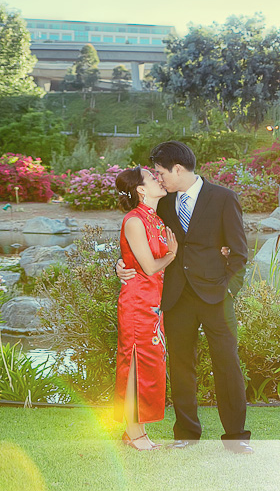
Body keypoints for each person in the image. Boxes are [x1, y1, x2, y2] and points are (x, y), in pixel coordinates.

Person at [117, 141, 252, 454]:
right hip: (176, 297)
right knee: (180, 366)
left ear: (178, 169)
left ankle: (236, 438)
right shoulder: (162, 203)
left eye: (162, 172)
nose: (159, 178)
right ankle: (186, 434)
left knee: (227, 364)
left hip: (217, 297)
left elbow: (240, 253)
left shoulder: (223, 198)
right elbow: (138, 238)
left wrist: (228, 290)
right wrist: (120, 264)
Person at [114, 166, 178, 451]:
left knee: (151, 364)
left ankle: (137, 430)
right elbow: (150, 266)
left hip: (155, 303)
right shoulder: (134, 221)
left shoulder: (156, 218)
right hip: (138, 302)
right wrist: (173, 255)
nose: (158, 179)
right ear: (140, 189)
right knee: (135, 363)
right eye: (152, 178)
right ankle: (133, 431)